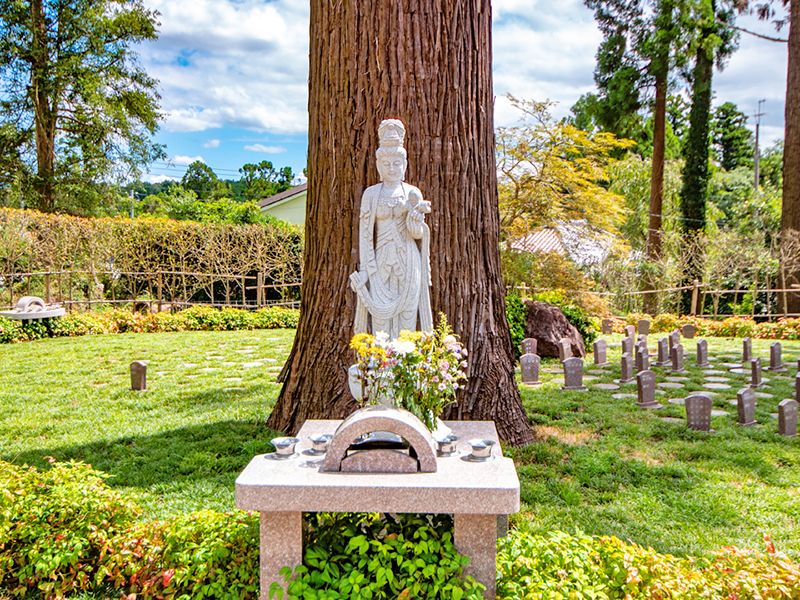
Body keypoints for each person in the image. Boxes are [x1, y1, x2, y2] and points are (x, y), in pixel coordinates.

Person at [350, 119, 433, 337]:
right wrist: (366, 272)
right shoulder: (371, 194)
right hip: (380, 263)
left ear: (404, 165)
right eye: (386, 163)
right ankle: (380, 365)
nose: (392, 168)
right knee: (380, 321)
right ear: (378, 165)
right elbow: (365, 235)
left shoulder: (412, 193)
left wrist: (415, 221)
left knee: (407, 319)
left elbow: (416, 234)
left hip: (408, 260)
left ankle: (406, 366)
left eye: (397, 163)